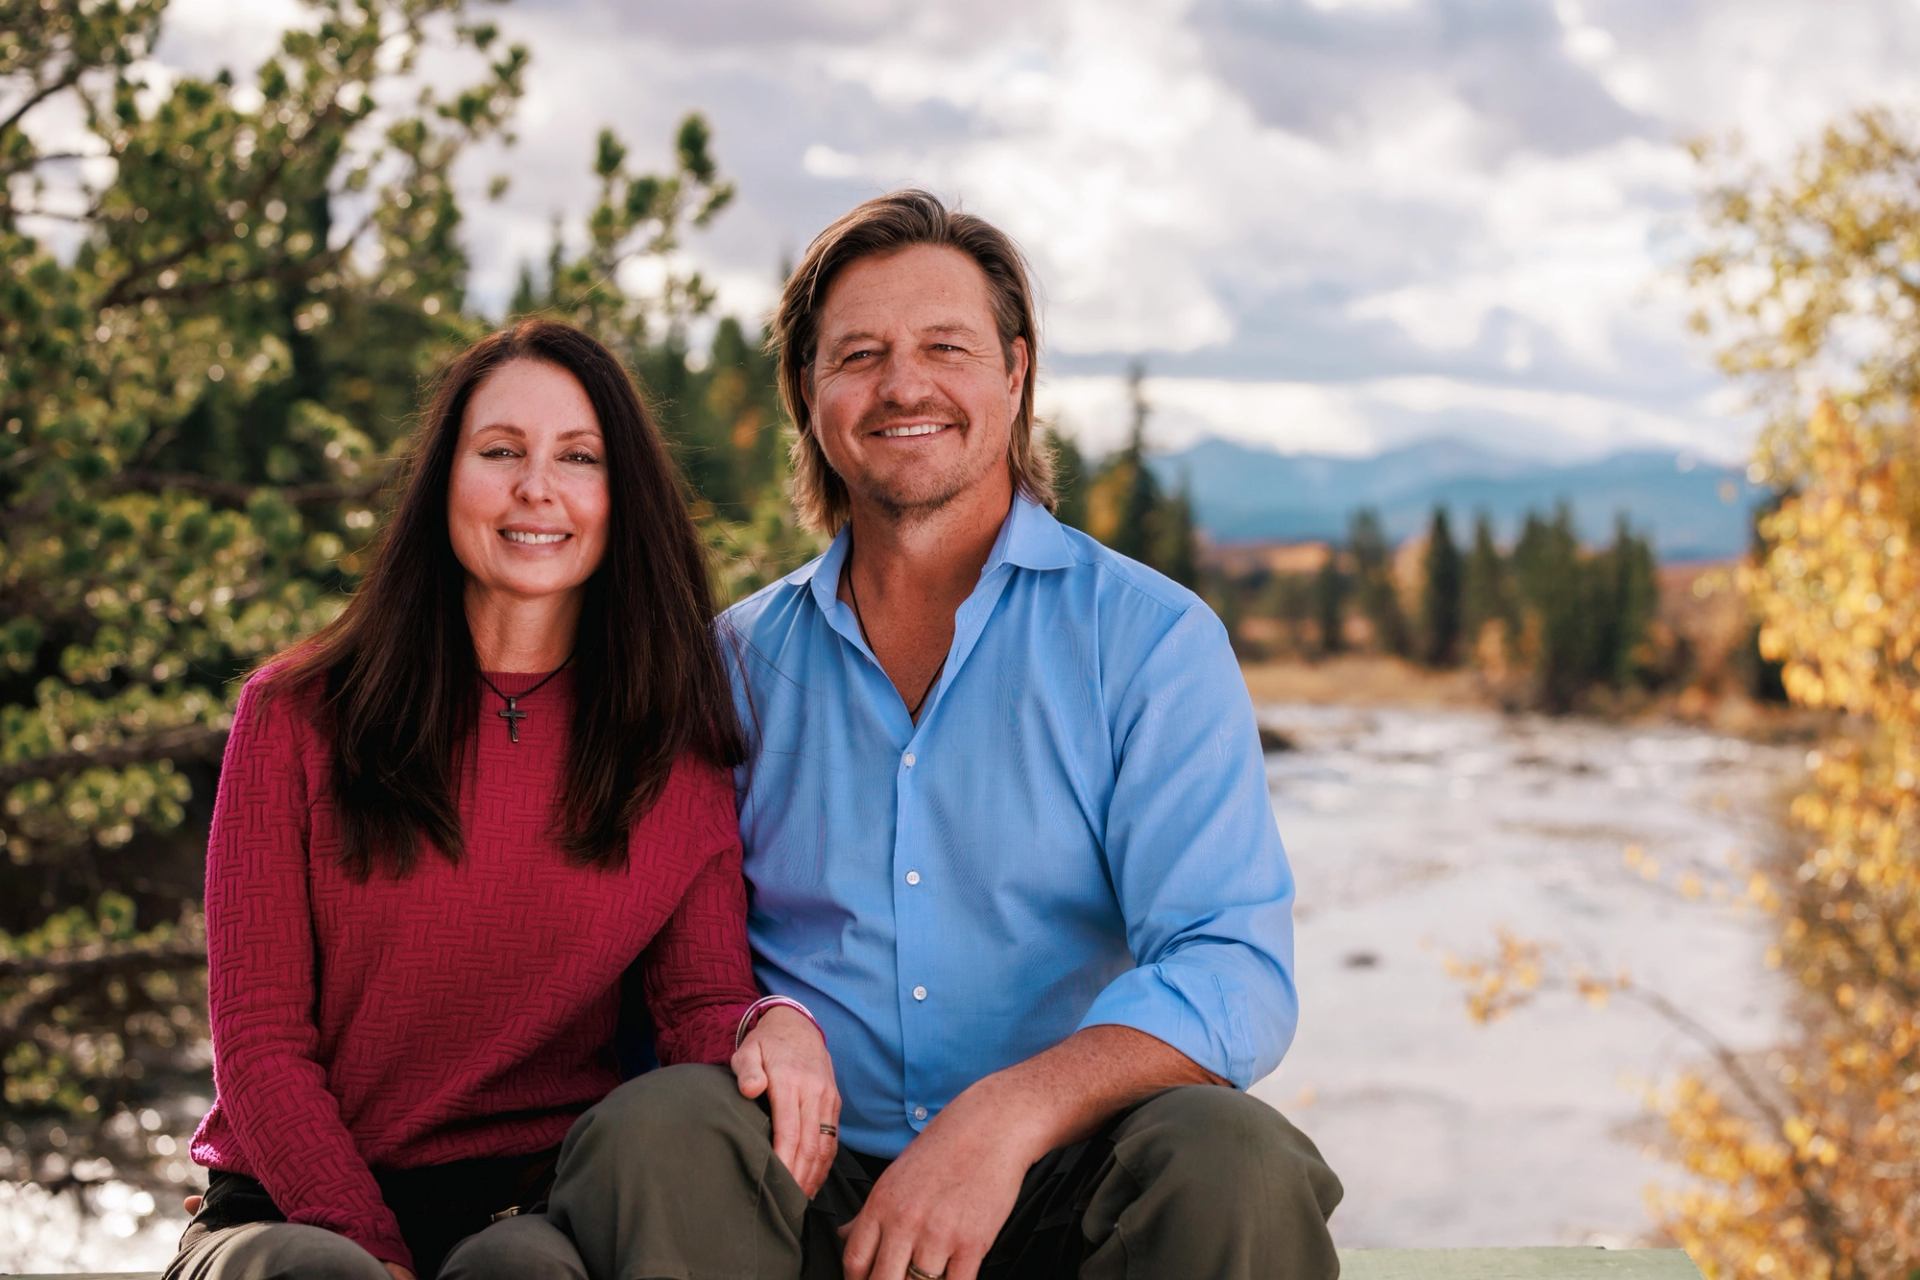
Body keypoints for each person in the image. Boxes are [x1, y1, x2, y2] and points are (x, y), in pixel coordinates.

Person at [549, 193, 1341, 1280]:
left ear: (1015, 374)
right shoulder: (732, 665)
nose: (903, 385)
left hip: (1067, 1181)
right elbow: (669, 957)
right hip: (800, 1185)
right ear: (809, 394)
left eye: (945, 347)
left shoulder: (1149, 641)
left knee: (1235, 1159)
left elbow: (1231, 966)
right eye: (859, 355)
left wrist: (1008, 1114)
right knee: (655, 1132)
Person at [167, 320, 838, 1280]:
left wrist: (768, 1023)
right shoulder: (295, 714)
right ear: (444, 479)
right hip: (286, 1203)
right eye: (500, 451)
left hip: (521, 1205)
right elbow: (259, 1045)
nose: (537, 488)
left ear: (621, 496)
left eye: (578, 457)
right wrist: (372, 1246)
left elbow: (696, 1003)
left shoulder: (667, 741)